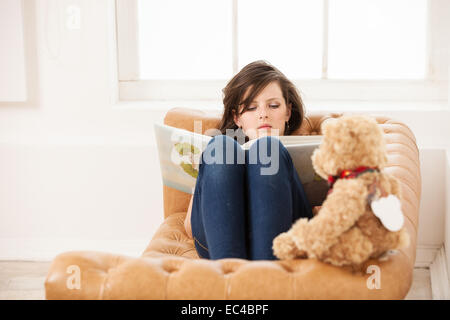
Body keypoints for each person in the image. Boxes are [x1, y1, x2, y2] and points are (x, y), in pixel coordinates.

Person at [184, 60, 313, 260]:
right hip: (218, 243)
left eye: (273, 105)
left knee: (268, 148)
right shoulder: (218, 151)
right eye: (251, 108)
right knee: (222, 145)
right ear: (237, 119)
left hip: (288, 233)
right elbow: (189, 227)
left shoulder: (305, 148)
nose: (263, 114)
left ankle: (263, 273)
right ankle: (230, 270)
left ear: (288, 111)